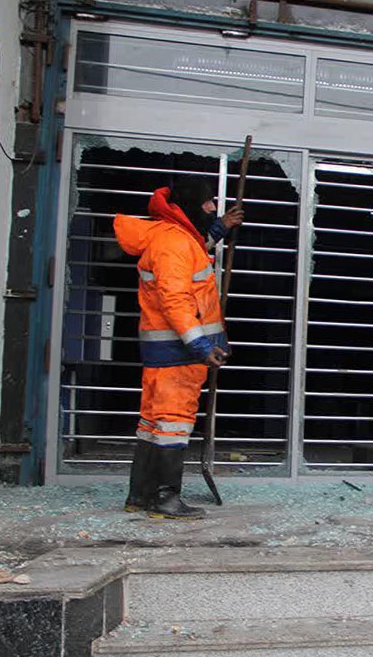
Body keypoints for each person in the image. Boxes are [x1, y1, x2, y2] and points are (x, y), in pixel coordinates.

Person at [114, 178, 241, 519]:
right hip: (178, 354)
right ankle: (165, 499)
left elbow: (196, 248)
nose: (213, 207)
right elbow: (176, 300)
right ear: (188, 208)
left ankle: (139, 496)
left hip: (164, 353)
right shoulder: (172, 244)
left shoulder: (173, 237)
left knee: (153, 423)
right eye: (208, 204)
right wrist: (200, 345)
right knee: (173, 422)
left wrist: (220, 228)